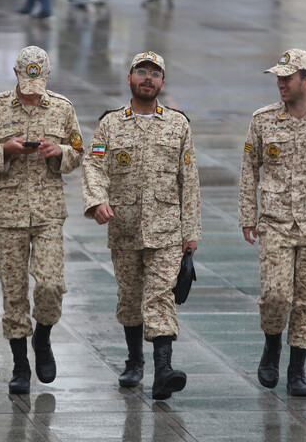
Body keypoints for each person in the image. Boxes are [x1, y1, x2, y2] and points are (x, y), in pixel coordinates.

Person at [82, 51, 201, 400]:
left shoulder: (178, 125)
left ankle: (163, 369)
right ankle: (135, 361)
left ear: (163, 83)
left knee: (161, 296)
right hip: (124, 228)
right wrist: (97, 202)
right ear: (130, 78)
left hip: (166, 230)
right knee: (131, 298)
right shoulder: (110, 124)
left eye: (155, 73)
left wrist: (191, 234)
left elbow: (189, 181)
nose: (148, 78)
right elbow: (94, 167)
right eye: (142, 72)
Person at [0, 46, 84, 394]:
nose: (32, 91)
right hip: (10, 212)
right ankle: (19, 364)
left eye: (38, 83)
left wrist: (59, 152)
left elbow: (80, 152)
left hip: (48, 211)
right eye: (26, 81)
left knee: (50, 284)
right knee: (13, 290)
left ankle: (43, 335)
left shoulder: (62, 108)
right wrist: (6, 150)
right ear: (16, 74)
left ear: (47, 77)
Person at [238, 49, 306, 397]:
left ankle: (297, 368)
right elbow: (248, 169)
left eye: (287, 78)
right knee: (275, 294)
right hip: (275, 221)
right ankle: (272, 346)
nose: (280, 83)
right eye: (278, 78)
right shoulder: (263, 120)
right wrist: (248, 216)